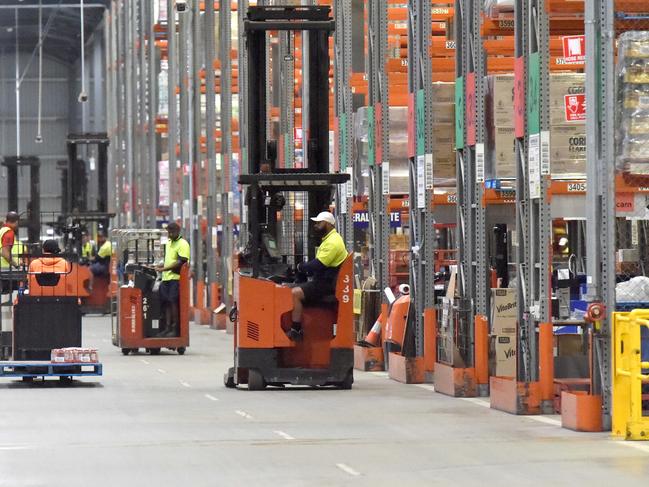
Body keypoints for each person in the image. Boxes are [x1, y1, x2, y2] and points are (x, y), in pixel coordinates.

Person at [288, 211, 348, 341]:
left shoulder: (333, 242)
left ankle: (295, 330)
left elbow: (317, 265)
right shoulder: (329, 239)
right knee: (291, 288)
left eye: (319, 223)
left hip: (326, 284)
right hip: (323, 281)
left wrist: (300, 267)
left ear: (327, 224)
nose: (315, 226)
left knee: (294, 293)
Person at [155, 222, 190, 338]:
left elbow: (181, 262)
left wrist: (164, 268)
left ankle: (175, 328)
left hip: (176, 278)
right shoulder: (169, 243)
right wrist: (161, 267)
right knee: (165, 303)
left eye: (171, 232)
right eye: (168, 232)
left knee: (173, 302)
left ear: (177, 231)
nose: (169, 234)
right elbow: (168, 259)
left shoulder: (183, 244)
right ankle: (167, 327)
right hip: (166, 278)